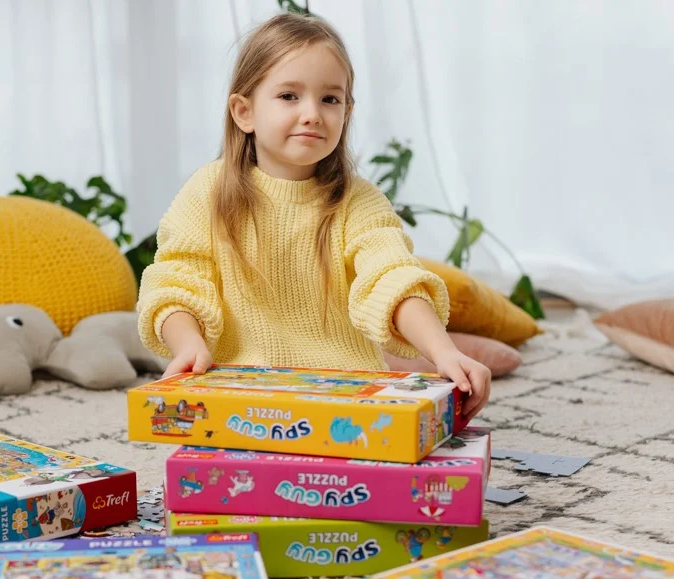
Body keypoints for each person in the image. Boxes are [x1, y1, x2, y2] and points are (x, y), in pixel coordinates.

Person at [137, 13, 491, 420]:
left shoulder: (359, 201)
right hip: (239, 395)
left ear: (347, 111)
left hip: (345, 397)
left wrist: (444, 352)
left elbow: (392, 278)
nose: (312, 113)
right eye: (289, 96)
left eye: (330, 99)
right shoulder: (208, 190)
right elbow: (176, 282)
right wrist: (188, 345)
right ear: (244, 112)